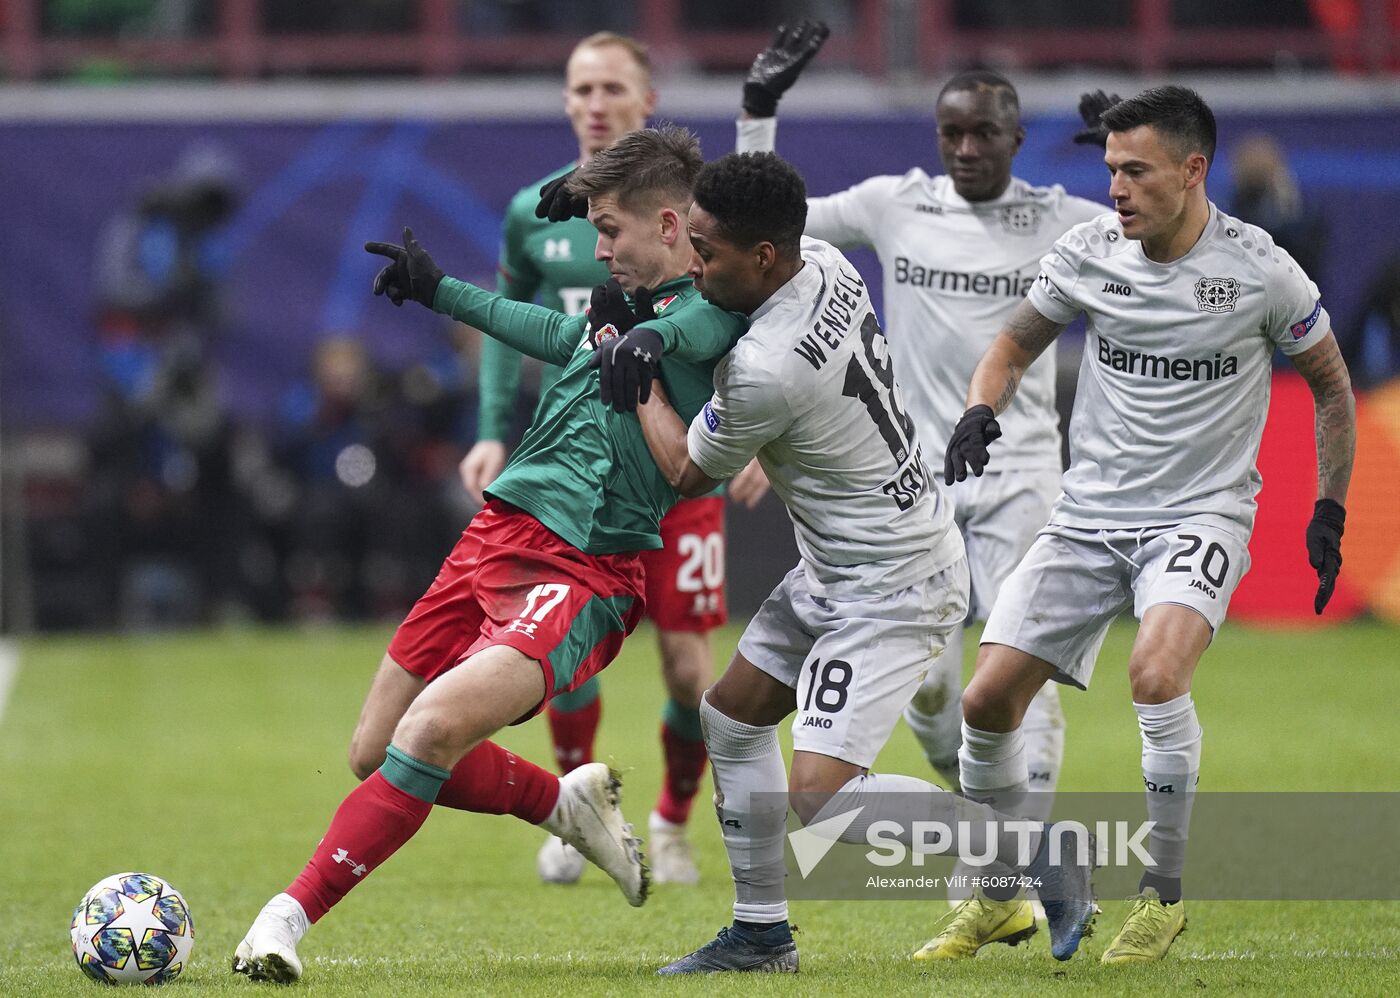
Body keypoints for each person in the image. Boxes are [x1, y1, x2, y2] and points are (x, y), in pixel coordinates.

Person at [231, 125, 749, 984]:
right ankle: (561, 803)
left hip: (583, 570)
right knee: (374, 748)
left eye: (610, 231)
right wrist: (441, 291)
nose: (597, 249)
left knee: (431, 729)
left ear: (669, 224)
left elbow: (682, 332)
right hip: (493, 537)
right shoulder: (617, 312)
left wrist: (639, 322)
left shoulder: (704, 312)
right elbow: (546, 328)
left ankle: (280, 922)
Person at [630, 151, 1096, 975]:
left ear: (764, 256)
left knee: (820, 800)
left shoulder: (766, 370)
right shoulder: (829, 263)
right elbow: (718, 312)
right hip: (848, 560)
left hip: (893, 584)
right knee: (732, 716)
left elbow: (684, 471)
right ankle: (761, 936)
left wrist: (634, 381)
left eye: (706, 252)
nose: (693, 266)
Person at [946, 86, 1355, 965]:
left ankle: (1162, 897)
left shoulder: (1262, 270)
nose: (1117, 188)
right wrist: (980, 409)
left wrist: (1329, 506)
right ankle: (1001, 891)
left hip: (1199, 514)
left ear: (1192, 170)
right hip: (1087, 514)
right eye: (1110, 170)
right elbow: (1012, 344)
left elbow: (1329, 383)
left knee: (1157, 673)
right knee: (984, 702)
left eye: (1135, 171)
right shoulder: (1090, 252)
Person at [735, 30, 1108, 956]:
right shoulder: (896, 205)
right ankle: (1009, 866)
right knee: (934, 704)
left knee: (1013, 681)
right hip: (922, 489)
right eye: (954, 134)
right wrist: (757, 116)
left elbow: (1168, 246)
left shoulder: (1065, 220)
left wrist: (1126, 137)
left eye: (985, 133)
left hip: (1023, 479)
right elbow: (766, 228)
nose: (968, 149)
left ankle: (1013, 884)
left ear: (1017, 139)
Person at [460, 30, 768, 888]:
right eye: (580, 89)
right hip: (582, 474)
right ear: (565, 102)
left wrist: (754, 431)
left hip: (679, 461)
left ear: (644, 104)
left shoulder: (694, 213)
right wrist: (492, 427)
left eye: (610, 89)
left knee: (684, 663)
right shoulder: (535, 211)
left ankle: (671, 822)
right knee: (553, 639)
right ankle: (571, 808)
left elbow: (753, 316)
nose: (594, 104)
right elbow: (505, 322)